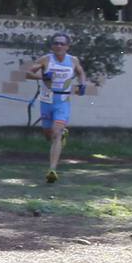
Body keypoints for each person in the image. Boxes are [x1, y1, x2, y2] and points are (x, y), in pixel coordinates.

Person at [26, 33, 88, 183]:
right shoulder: (45, 59)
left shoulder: (73, 60)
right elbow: (28, 73)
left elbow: (81, 72)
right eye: (56, 43)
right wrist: (42, 77)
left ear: (67, 46)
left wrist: (82, 84)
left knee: (56, 133)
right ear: (52, 46)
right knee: (48, 135)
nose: (58, 46)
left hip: (62, 102)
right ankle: (61, 136)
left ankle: (52, 170)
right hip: (47, 101)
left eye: (62, 44)